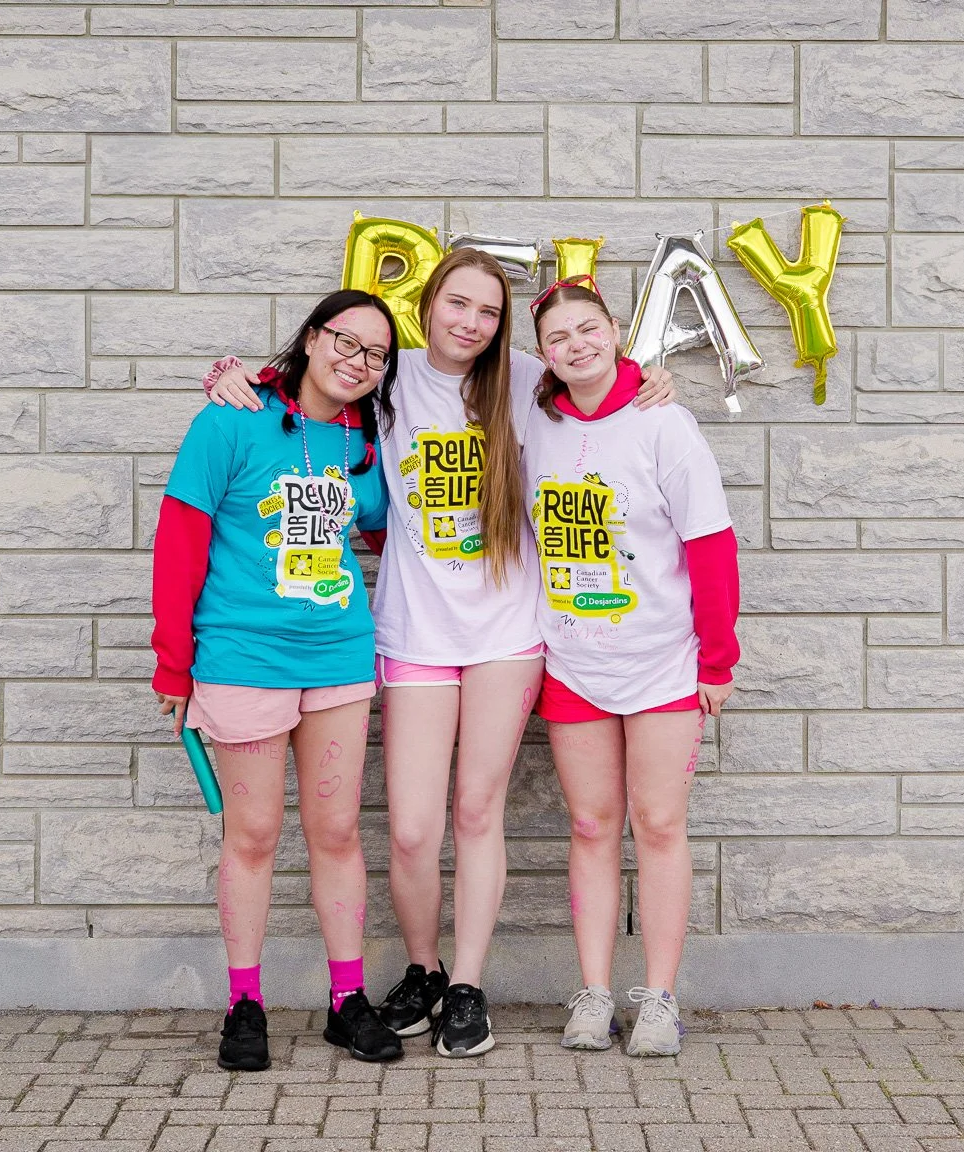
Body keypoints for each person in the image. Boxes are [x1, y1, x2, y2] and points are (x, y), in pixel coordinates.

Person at [200, 249, 674, 1058]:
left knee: (476, 812)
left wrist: (651, 379)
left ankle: (468, 987)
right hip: (414, 630)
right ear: (429, 305)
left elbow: (603, 387)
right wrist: (237, 378)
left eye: (489, 312)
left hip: (506, 634)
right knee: (414, 829)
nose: (472, 323)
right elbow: (315, 387)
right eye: (458, 304)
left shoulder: (526, 380)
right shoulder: (390, 376)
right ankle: (424, 970)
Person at [152, 290, 404, 1072]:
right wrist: (173, 662)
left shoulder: (366, 444)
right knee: (254, 834)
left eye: (376, 354)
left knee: (336, 832)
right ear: (312, 337)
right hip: (243, 659)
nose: (357, 362)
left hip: (337, 659)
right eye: (346, 341)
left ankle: (347, 1000)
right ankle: (245, 1003)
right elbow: (179, 542)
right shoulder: (229, 419)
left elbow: (388, 532)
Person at [522, 276, 740, 1057]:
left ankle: (660, 998)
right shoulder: (533, 419)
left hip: (663, 663)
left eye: (588, 329)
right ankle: (593, 994)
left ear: (615, 329)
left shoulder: (663, 421)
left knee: (659, 823)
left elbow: (710, 543)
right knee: (590, 824)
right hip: (572, 661)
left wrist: (718, 658)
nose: (576, 345)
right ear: (542, 355)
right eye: (557, 338)